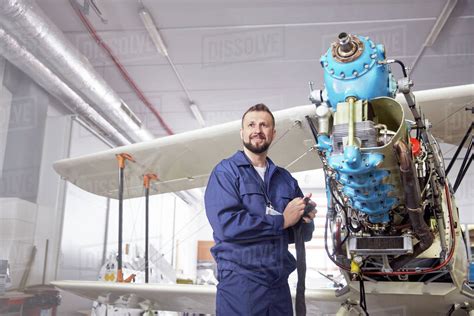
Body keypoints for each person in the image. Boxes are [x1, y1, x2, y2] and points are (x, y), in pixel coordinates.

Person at [205, 103, 316, 315]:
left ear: (273, 133)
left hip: (278, 285)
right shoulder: (226, 172)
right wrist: (282, 221)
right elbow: (226, 225)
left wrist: (305, 219)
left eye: (264, 125)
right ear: (242, 132)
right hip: (240, 283)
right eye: (251, 125)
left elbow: (298, 236)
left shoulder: (285, 179)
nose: (257, 130)